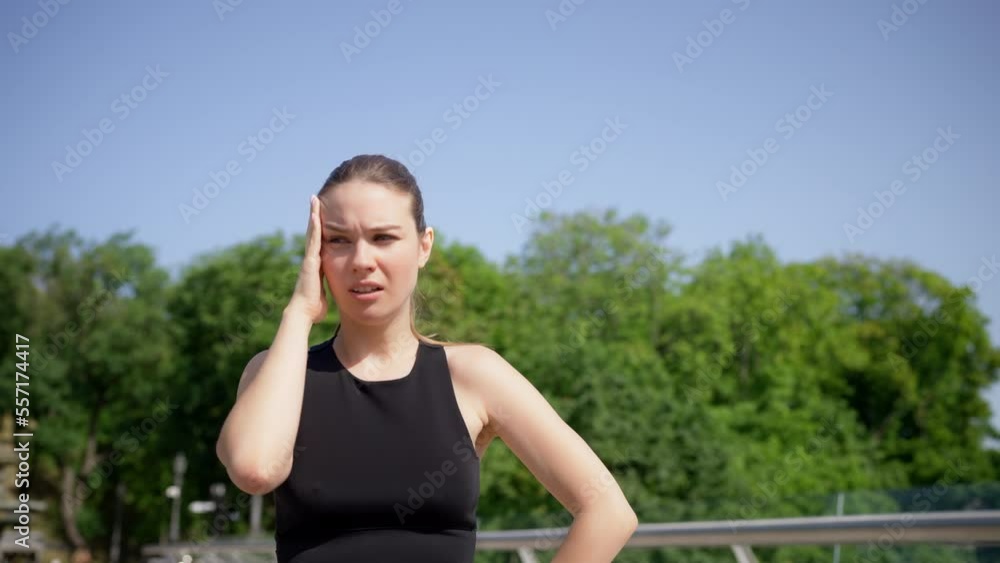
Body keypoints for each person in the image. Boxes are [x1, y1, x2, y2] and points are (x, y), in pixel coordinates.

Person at [215, 154, 638, 562]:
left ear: (423, 246)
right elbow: (255, 469)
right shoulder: (276, 373)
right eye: (338, 240)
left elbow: (608, 512)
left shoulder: (474, 375)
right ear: (316, 253)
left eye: (383, 238)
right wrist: (299, 312)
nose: (361, 261)